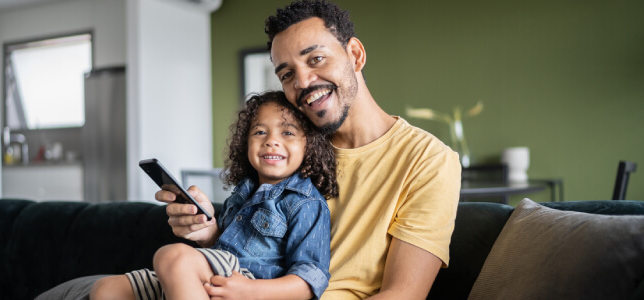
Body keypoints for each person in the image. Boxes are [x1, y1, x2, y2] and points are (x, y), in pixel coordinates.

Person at [164, 1, 462, 299]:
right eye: (287, 75)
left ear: (355, 55)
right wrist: (210, 234)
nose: (303, 81)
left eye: (316, 58)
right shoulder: (287, 151)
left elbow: (403, 295)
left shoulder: (428, 160)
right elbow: (259, 261)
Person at [90, 91, 338, 300]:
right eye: (260, 132)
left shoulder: (306, 203)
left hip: (253, 285)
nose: (271, 141)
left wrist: (251, 291)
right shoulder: (243, 193)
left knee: (172, 257)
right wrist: (210, 232)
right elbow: (222, 248)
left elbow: (310, 279)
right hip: (218, 276)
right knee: (106, 289)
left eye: (288, 133)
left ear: (310, 145)